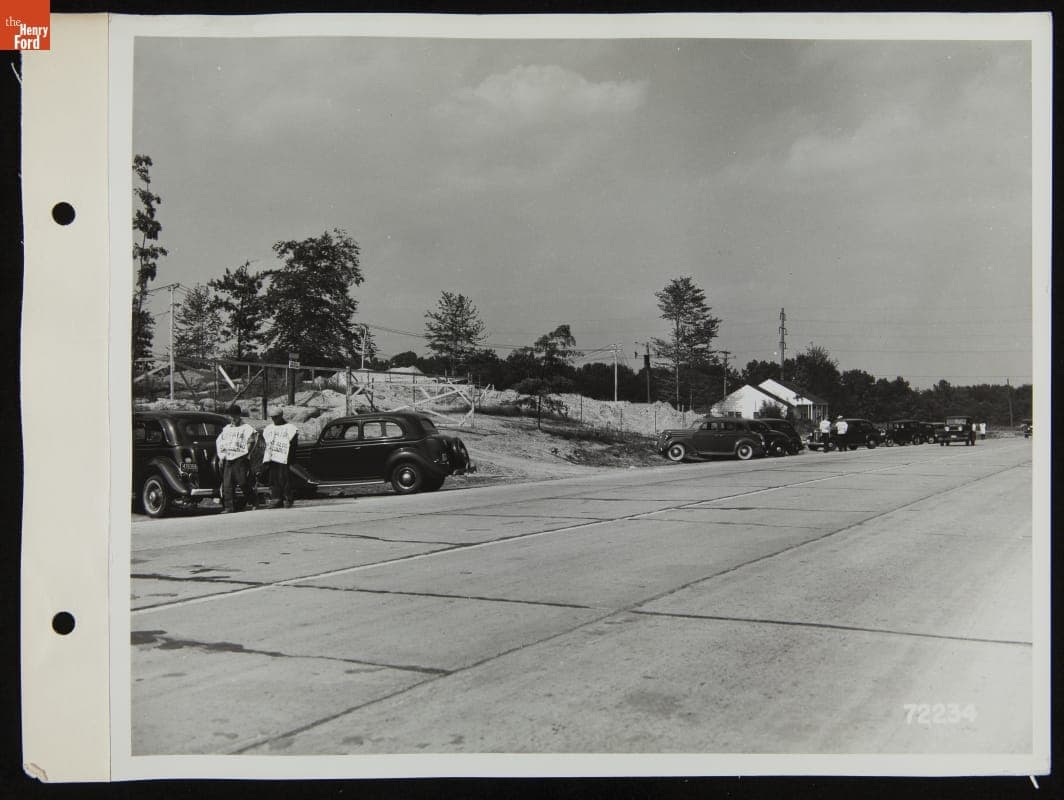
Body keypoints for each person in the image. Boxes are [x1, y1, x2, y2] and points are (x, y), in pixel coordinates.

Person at [216, 404, 259, 513]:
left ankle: (253, 500)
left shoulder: (246, 428)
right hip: (228, 458)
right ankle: (229, 507)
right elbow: (221, 443)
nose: (232, 418)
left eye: (234, 416)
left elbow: (251, 441)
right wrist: (221, 457)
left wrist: (246, 453)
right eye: (230, 416)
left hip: (240, 458)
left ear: (239, 415)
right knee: (227, 484)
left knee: (242, 482)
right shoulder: (226, 429)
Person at [261, 405, 299, 509]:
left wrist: (289, 456)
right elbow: (266, 442)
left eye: (276, 417)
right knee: (273, 478)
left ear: (281, 416)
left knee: (284, 478)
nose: (274, 419)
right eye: (272, 417)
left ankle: (287, 498)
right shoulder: (269, 428)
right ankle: (276, 499)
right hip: (273, 457)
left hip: (284, 458)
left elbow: (294, 444)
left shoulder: (290, 428)